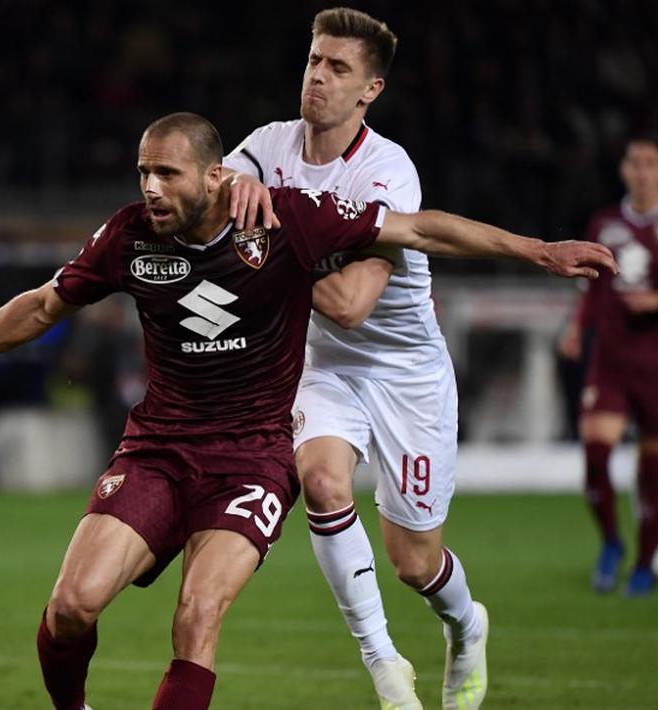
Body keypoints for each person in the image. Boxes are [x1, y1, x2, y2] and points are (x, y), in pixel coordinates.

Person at [0, 112, 614, 710]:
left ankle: (402, 648)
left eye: (166, 172)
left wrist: (537, 250)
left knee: (196, 618)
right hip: (156, 449)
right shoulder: (127, 235)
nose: (151, 187)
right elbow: (42, 305)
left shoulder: (288, 218)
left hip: (251, 458)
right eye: (142, 172)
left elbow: (416, 227)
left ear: (214, 174)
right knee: (69, 608)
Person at [222, 9, 478, 708]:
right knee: (323, 482)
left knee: (413, 562)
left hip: (405, 374)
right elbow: (215, 190)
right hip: (323, 364)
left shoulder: (386, 171)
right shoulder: (266, 147)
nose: (318, 78)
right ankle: (384, 663)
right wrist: (220, 187)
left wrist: (277, 221)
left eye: (338, 69)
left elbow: (349, 304)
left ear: (370, 89)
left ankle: (466, 622)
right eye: (313, 61)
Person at [558, 135, 658, 597]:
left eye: (651, 163)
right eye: (634, 162)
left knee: (654, 467)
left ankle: (646, 561)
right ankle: (610, 543)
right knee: (596, 453)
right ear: (624, 170)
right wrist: (575, 325)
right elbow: (593, 288)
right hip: (611, 356)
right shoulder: (604, 223)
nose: (642, 171)